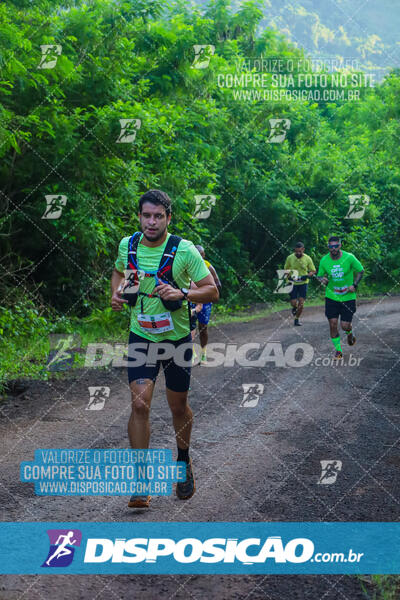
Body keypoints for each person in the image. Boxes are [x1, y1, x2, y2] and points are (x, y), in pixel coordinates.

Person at [111, 190, 218, 508]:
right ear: (140, 217)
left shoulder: (184, 250)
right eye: (147, 215)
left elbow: (211, 291)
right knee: (140, 405)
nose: (152, 222)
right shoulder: (128, 245)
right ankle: (141, 482)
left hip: (176, 341)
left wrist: (182, 292)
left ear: (168, 218)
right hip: (141, 336)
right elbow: (119, 272)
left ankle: (183, 461)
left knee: (178, 408)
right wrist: (116, 294)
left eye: (158, 216)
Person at [316, 236, 364, 359]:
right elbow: (320, 275)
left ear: (340, 245)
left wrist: (354, 285)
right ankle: (338, 350)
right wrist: (322, 279)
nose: (334, 249)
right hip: (331, 297)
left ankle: (349, 333)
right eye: (331, 246)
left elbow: (360, 270)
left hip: (348, 297)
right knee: (332, 323)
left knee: (344, 325)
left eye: (336, 246)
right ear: (328, 247)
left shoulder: (349, 257)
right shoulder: (324, 260)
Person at [193, 245, 221, 362]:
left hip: (205, 302)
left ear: (203, 255)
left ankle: (203, 353)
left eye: (201, 255)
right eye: (196, 255)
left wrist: (212, 293)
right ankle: (192, 353)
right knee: (189, 327)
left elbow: (218, 283)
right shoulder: (187, 265)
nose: (198, 257)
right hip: (190, 300)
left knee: (203, 327)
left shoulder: (208, 266)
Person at [284, 242, 316, 326]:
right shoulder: (290, 258)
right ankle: (294, 307)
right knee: (293, 302)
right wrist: (288, 277)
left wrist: (307, 276)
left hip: (303, 283)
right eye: (296, 251)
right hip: (292, 282)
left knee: (301, 303)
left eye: (300, 251)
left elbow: (313, 271)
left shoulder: (308, 258)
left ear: (303, 250)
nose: (298, 253)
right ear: (294, 250)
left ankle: (296, 319)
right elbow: (286, 269)